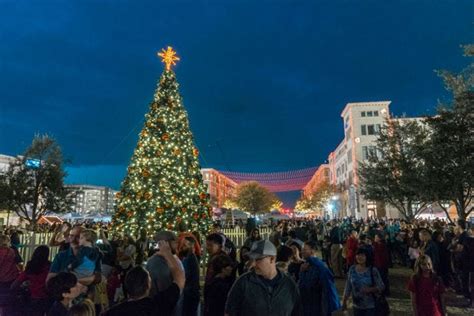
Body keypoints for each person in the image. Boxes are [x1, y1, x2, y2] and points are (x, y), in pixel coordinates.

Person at [225, 239, 302, 316]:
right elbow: (229, 312)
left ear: (272, 259)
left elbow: (297, 312)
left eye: (258, 259)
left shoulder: (288, 285)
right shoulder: (243, 283)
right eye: (252, 259)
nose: (253, 264)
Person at [105, 241, 184, 316]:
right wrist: (167, 253)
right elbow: (180, 278)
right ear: (148, 285)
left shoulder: (113, 312)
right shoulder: (158, 305)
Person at [298, 240, 341, 316]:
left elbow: (326, 287)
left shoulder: (319, 266)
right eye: (302, 250)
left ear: (312, 251)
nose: (302, 252)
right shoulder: (307, 265)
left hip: (317, 304)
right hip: (310, 304)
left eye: (304, 249)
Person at [342, 248, 385, 316]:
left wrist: (370, 289)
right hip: (356, 305)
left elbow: (382, 286)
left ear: (367, 257)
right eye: (358, 255)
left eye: (362, 255)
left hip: (371, 306)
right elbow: (348, 286)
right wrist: (344, 301)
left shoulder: (373, 270)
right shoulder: (352, 269)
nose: (359, 257)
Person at [11, 245, 51, 316]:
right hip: (47, 297)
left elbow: (15, 284)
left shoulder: (31, 267)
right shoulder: (50, 267)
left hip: (33, 297)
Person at [180, 236, 200, 316]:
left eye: (185, 245)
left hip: (190, 294)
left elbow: (186, 275)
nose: (182, 247)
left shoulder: (190, 259)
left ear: (191, 246)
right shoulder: (188, 257)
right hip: (190, 292)